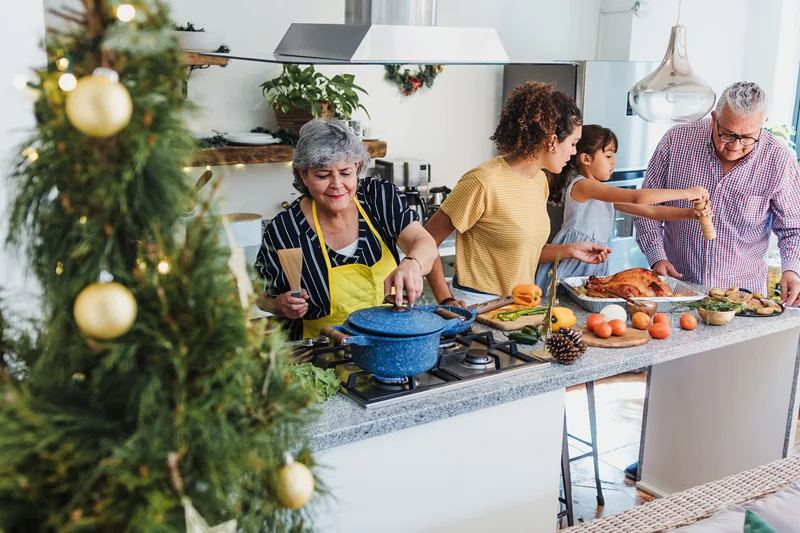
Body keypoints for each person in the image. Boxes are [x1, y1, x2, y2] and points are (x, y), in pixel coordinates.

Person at [424, 82, 611, 306]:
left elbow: (525, 251)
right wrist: (445, 300)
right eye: (573, 143)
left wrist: (571, 250)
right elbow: (425, 242)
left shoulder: (539, 181)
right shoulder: (483, 181)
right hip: (477, 308)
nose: (573, 152)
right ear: (551, 140)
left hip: (522, 305)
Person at [255, 119, 439, 340]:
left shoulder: (379, 197)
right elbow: (259, 295)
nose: (337, 184)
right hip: (321, 356)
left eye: (345, 172)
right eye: (323, 175)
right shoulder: (284, 230)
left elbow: (425, 243)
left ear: (358, 167)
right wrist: (279, 305)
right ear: (303, 175)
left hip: (388, 345)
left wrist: (413, 265)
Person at [634, 81, 800, 306]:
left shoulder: (779, 160)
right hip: (678, 288)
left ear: (763, 125)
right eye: (728, 135)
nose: (735, 146)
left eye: (747, 138)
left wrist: (792, 269)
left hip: (742, 298)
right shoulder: (676, 141)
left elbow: (793, 228)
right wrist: (657, 257)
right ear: (714, 119)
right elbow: (645, 207)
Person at [535, 125, 710, 292]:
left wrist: (690, 213)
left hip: (591, 261)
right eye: (608, 156)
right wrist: (685, 193)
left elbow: (650, 211)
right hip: (571, 262)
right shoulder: (584, 186)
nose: (614, 161)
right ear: (586, 159)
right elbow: (637, 197)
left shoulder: (602, 194)